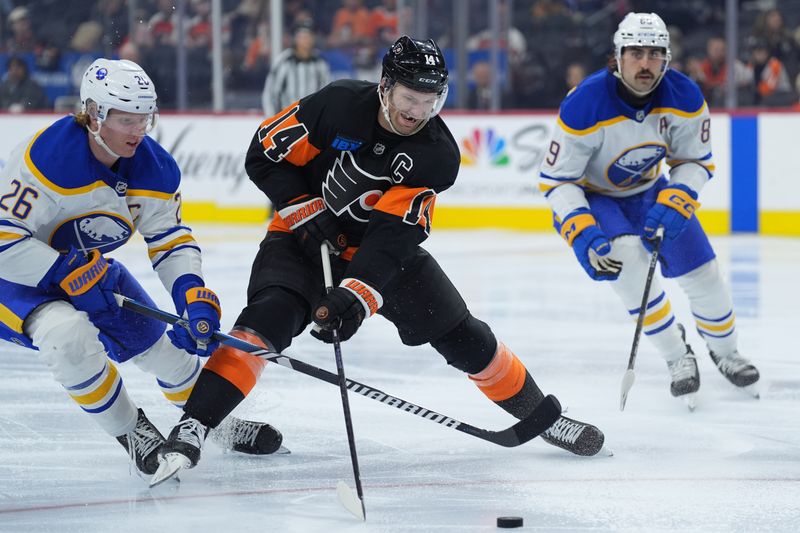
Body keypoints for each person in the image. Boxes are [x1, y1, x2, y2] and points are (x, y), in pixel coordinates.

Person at [152, 35, 606, 485]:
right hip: (298, 241)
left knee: (463, 335)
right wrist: (305, 211)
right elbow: (265, 155)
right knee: (265, 319)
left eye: (430, 101)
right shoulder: (337, 105)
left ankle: (543, 418)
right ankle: (192, 427)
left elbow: (393, 236)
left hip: (380, 256)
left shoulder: (437, 155)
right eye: (411, 98)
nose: (418, 112)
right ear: (386, 86)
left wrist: (354, 298)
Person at [0, 58, 283, 479]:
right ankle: (133, 432)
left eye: (145, 117)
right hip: (17, 278)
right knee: (67, 337)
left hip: (89, 272)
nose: (139, 130)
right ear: (94, 114)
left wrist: (190, 294)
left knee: (165, 353)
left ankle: (212, 423)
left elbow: (169, 240)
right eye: (126, 118)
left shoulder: (155, 166)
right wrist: (60, 270)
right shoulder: (46, 158)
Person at [538, 13, 760, 408]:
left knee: (703, 272)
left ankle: (726, 353)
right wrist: (581, 228)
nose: (645, 63)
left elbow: (695, 160)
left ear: (667, 58)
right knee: (626, 265)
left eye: (655, 54)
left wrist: (680, 195)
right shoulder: (584, 103)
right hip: (596, 199)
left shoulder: (685, 96)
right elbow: (558, 181)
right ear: (618, 57)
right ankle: (678, 357)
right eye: (636, 53)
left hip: (650, 190)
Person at [261, 21, 330, 116]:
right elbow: (271, 94)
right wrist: (272, 120)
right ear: (296, 38)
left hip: (312, 121)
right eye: (303, 36)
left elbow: (326, 94)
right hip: (287, 120)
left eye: (310, 36)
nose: (307, 40)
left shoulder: (320, 63)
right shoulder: (284, 61)